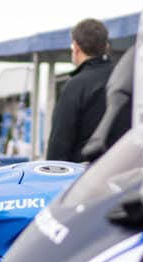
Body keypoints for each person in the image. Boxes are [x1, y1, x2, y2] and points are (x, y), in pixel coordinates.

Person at [46, 18, 122, 162]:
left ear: (76, 47)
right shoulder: (123, 78)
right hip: (121, 169)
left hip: (84, 175)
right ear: (106, 46)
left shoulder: (75, 86)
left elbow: (59, 143)